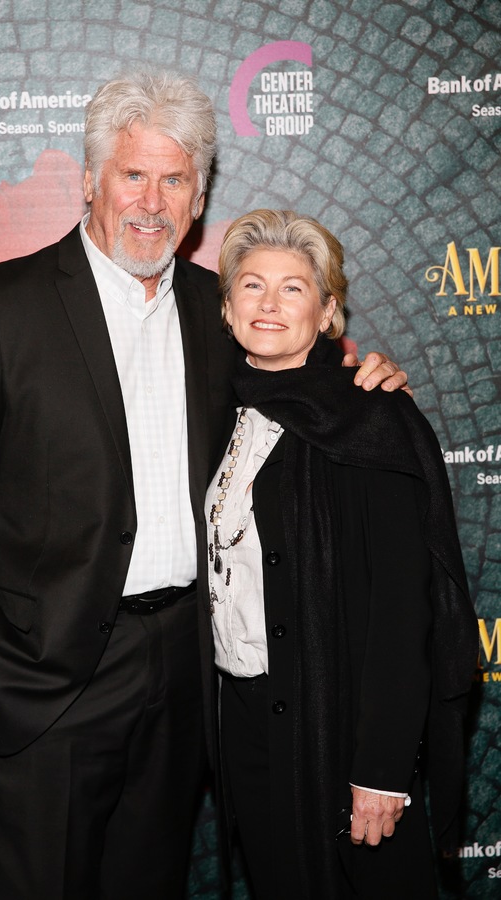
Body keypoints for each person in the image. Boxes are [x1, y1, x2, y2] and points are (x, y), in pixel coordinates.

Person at [0, 74, 408, 900]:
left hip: (184, 675)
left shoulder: (219, 311)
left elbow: (300, 390)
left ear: (200, 196)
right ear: (89, 181)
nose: (152, 201)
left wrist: (367, 385)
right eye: (132, 175)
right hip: (45, 683)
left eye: (175, 179)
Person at [207, 209, 478, 900]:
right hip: (246, 723)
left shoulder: (369, 418)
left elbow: (399, 611)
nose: (269, 304)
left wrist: (382, 769)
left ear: (328, 312)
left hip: (338, 727)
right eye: (251, 285)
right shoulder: (220, 411)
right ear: (228, 306)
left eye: (293, 288)